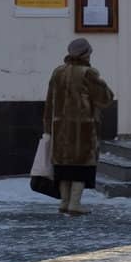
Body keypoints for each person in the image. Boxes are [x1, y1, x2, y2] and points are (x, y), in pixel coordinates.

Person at [43, 37, 115, 215]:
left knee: (63, 166)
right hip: (82, 129)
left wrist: (47, 128)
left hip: (59, 127)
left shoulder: (57, 72)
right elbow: (105, 98)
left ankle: (64, 202)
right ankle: (75, 203)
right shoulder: (87, 73)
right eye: (89, 52)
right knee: (80, 166)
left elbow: (49, 103)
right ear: (85, 54)